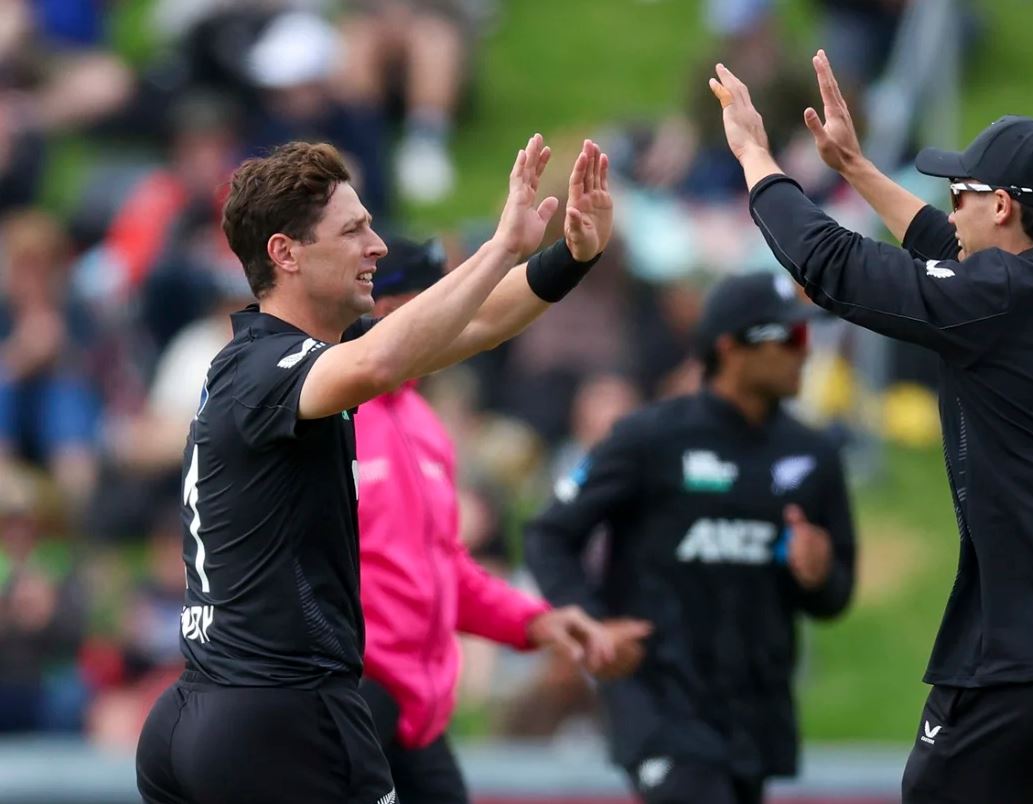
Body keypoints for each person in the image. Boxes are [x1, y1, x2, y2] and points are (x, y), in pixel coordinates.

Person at [709, 50, 1033, 804]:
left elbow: (829, 262)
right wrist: (857, 169)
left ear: (1001, 206)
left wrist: (754, 157)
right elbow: (958, 256)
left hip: (1032, 663)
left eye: (959, 193)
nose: (949, 207)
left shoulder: (993, 300)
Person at [134, 134, 617, 804]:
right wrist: (501, 246)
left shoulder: (286, 364)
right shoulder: (269, 368)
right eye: (353, 230)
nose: (378, 246)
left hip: (224, 712)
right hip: (283, 714)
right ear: (286, 253)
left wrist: (572, 256)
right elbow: (380, 361)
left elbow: (478, 324)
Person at [525, 272, 857, 804]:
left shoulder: (813, 455)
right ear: (730, 348)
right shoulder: (648, 438)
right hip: (660, 699)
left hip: (754, 711)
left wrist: (818, 574)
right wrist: (592, 623)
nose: (805, 351)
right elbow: (549, 534)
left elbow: (835, 596)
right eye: (790, 337)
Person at [354, 235, 620, 804]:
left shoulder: (423, 425)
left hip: (415, 711)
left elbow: (443, 566)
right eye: (434, 301)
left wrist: (534, 622)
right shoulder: (330, 411)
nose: (450, 318)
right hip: (349, 698)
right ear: (387, 308)